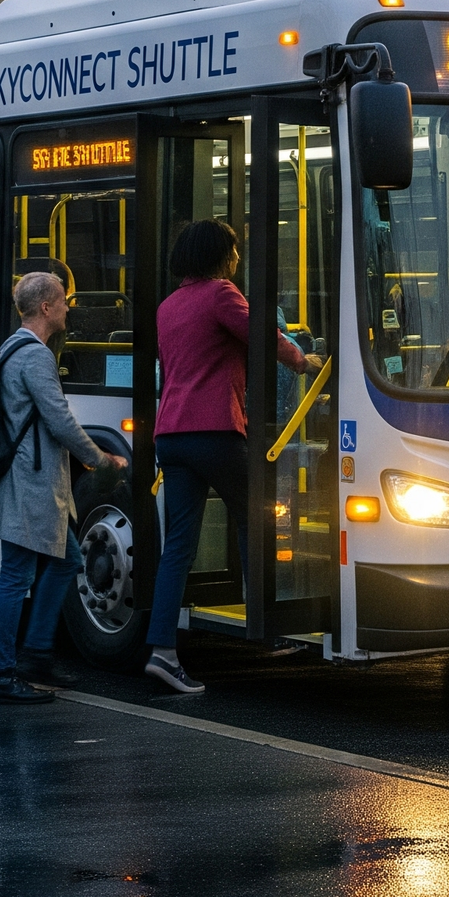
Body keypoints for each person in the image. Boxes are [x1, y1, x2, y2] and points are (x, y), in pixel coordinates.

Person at [145, 219, 319, 696]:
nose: (238, 258)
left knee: (177, 546)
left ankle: (162, 651)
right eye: (234, 250)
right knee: (258, 518)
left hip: (171, 434)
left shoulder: (167, 307)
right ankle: (265, 625)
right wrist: (303, 361)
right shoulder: (221, 293)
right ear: (219, 255)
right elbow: (261, 334)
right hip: (215, 430)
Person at [0, 271, 127, 704]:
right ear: (45, 307)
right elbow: (60, 419)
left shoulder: (12, 348)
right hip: (30, 484)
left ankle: (36, 656)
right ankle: (1, 676)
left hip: (27, 481)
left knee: (66, 561)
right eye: (63, 300)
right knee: (15, 578)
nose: (68, 307)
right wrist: (101, 459)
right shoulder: (35, 356)